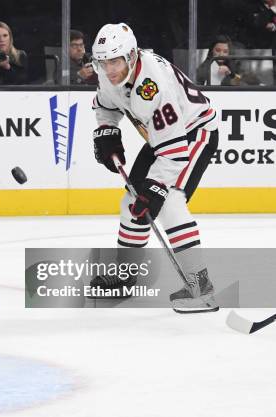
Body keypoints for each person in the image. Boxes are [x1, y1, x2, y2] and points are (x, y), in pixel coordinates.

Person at [89, 23, 219, 312]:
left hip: (193, 133)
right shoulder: (108, 74)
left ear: (132, 56)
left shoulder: (152, 85)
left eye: (115, 61)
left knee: (169, 201)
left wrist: (157, 189)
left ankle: (202, 288)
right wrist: (107, 130)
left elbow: (174, 151)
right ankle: (125, 278)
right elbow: (105, 105)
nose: (109, 69)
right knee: (132, 202)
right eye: (103, 62)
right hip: (161, 137)